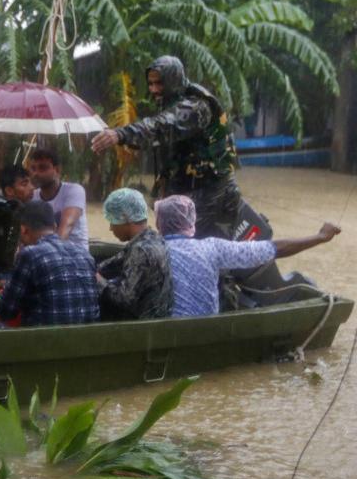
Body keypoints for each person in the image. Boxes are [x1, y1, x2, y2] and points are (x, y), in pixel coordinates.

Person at [92, 56, 241, 239]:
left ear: (173, 80)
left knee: (193, 250)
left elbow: (161, 127)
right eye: (151, 83)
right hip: (189, 192)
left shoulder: (196, 106)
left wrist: (120, 134)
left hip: (213, 193)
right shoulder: (171, 103)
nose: (154, 89)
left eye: (160, 83)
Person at [155, 195, 341, 317]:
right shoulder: (212, 248)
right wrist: (320, 237)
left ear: (159, 224)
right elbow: (275, 249)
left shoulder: (149, 251)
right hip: (206, 331)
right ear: (192, 221)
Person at [0, 200, 99, 326]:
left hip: (45, 342)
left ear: (23, 230)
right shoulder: (84, 253)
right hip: (87, 339)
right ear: (55, 226)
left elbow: (6, 311)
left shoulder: (30, 254)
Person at [96, 188, 172, 320]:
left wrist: (98, 281)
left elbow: (124, 299)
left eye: (112, 221)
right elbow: (115, 263)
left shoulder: (141, 250)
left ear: (125, 217)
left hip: (140, 330)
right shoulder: (154, 239)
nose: (111, 228)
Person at [28, 148, 89, 249]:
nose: (36, 173)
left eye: (42, 168)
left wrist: (49, 254)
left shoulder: (74, 191)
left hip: (75, 256)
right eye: (33, 169)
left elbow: (66, 227)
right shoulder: (32, 196)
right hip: (43, 255)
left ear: (57, 170)